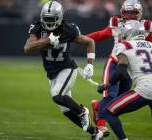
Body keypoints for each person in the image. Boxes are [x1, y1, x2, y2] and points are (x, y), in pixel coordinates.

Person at [24, 1, 101, 139]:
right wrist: (46, 41)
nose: (47, 23)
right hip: (51, 72)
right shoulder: (37, 27)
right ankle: (95, 133)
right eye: (45, 19)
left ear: (59, 18)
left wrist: (90, 64)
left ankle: (82, 111)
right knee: (65, 109)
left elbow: (90, 42)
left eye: (51, 19)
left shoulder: (68, 28)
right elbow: (27, 48)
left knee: (57, 95)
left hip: (67, 68)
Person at [87, 0, 152, 135]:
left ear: (140, 13)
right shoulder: (116, 24)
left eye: (133, 13)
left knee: (118, 98)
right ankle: (101, 126)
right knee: (110, 95)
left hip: (131, 68)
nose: (130, 16)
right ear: (122, 13)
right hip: (114, 63)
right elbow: (100, 35)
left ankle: (97, 106)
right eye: (127, 13)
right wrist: (82, 39)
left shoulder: (147, 26)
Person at [97, 20, 152, 140]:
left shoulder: (125, 45)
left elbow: (120, 71)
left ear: (128, 33)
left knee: (108, 112)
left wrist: (106, 85)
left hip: (145, 89)